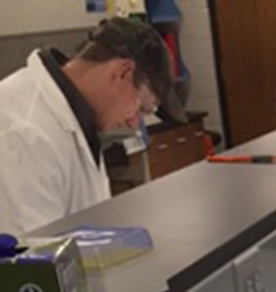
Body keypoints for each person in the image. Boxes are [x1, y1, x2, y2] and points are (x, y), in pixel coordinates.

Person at [0, 17, 184, 239]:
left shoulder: (78, 114)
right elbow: (25, 261)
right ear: (122, 72)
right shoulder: (22, 132)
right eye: (142, 108)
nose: (134, 124)